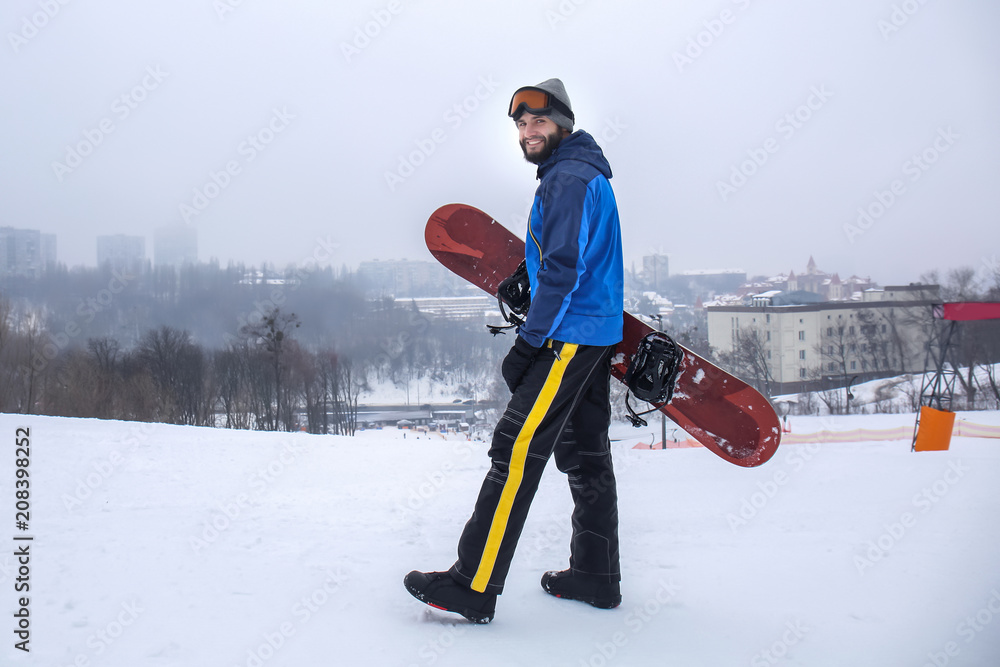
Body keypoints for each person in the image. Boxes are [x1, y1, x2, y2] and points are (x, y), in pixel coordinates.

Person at [405, 78, 624, 624]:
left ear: (562, 125)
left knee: (515, 449)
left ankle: (473, 585)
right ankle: (596, 575)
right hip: (597, 331)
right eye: (522, 125)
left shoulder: (567, 178)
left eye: (539, 122)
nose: (528, 132)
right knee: (587, 451)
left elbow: (563, 269)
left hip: (569, 336)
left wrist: (530, 343)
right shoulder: (582, 171)